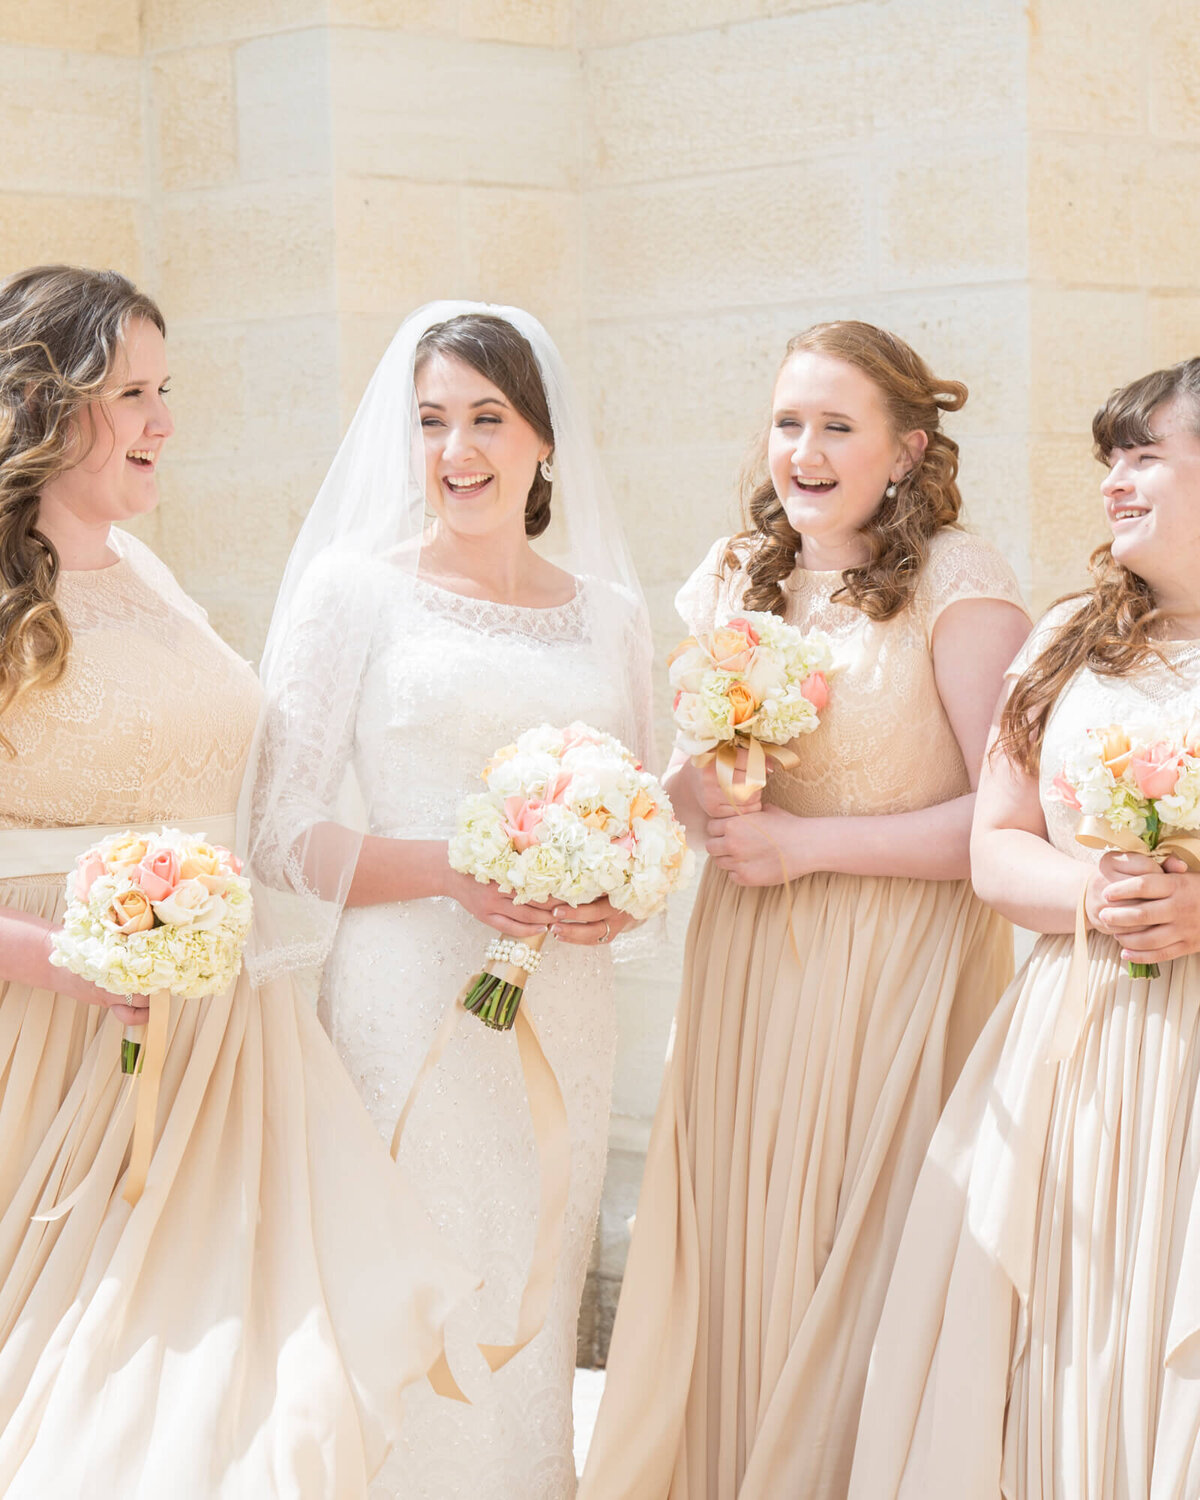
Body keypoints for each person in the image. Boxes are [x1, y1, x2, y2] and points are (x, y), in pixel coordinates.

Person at [0, 264, 473, 1498]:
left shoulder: (148, 575)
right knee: (107, 1390)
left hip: (229, 1029)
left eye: (169, 389)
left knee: (273, 1384)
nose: (166, 423)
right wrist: (70, 959)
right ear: (48, 406)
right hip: (58, 1040)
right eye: (133, 394)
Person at [579, 320, 1030, 1499]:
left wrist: (808, 844)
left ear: (908, 451)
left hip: (899, 961)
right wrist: (614, 823)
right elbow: (705, 772)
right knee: (739, 1250)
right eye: (790, 423)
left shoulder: (960, 583)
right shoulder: (740, 573)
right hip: (748, 957)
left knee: (860, 1249)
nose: (806, 451)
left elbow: (1005, 819)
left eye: (839, 426)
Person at [249, 302, 655, 1499]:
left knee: (534, 1270)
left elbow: (636, 813)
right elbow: (279, 831)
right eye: (431, 422)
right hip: (402, 996)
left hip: (566, 999)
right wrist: (449, 870)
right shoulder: (352, 594)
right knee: (413, 1279)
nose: (455, 451)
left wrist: (613, 901)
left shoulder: (612, 617)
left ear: (542, 439)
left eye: (486, 418)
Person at [848, 360, 1200, 1497]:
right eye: (1110, 456)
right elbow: (996, 843)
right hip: (1074, 1041)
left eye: (1144, 453)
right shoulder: (1058, 642)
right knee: (1063, 1332)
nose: (1113, 481)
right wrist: (1094, 897)